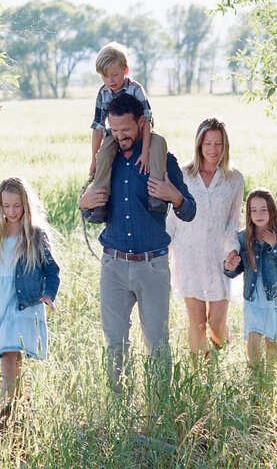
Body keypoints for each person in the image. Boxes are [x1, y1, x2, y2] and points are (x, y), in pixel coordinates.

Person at [79, 91, 196, 387]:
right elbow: (89, 210)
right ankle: (120, 409)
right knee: (115, 343)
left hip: (152, 266)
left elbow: (190, 211)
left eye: (127, 130)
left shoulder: (164, 161)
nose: (120, 136)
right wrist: (83, 202)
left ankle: (161, 408)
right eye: (114, 130)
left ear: (141, 123)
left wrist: (176, 198)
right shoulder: (107, 160)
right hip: (113, 266)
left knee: (157, 343)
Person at [0, 177, 60, 425]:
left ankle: (6, 413)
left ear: (25, 204)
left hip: (27, 302)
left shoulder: (36, 235)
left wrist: (49, 294)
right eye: (6, 206)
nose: (12, 211)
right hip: (5, 303)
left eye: (16, 205)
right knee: (8, 355)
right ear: (0, 206)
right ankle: (13, 408)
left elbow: (52, 270)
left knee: (13, 356)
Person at [167, 117, 244, 355]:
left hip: (218, 256)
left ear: (225, 146)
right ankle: (199, 373)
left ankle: (219, 361)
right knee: (198, 322)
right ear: (199, 145)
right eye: (208, 143)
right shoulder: (183, 175)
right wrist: (162, 252)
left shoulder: (234, 179)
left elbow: (233, 220)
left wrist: (233, 250)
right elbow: (171, 219)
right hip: (188, 255)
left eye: (218, 144)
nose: (213, 149)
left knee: (217, 325)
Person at [86, 41, 168, 222]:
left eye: (114, 75)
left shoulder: (136, 90)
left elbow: (146, 121)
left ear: (126, 70)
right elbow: (98, 126)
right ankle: (100, 201)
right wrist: (94, 158)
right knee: (105, 152)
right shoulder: (103, 93)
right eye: (104, 77)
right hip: (115, 134)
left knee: (159, 143)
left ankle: (155, 194)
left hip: (141, 131)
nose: (110, 81)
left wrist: (145, 151)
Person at [224, 188, 277, 370]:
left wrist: (275, 246)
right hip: (253, 296)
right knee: (254, 334)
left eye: (263, 209)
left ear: (271, 210)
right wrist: (229, 266)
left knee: (271, 338)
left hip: (274, 296)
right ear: (248, 213)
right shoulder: (243, 238)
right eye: (254, 210)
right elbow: (237, 269)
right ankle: (255, 372)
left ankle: (270, 373)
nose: (259, 214)